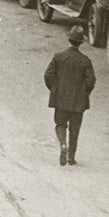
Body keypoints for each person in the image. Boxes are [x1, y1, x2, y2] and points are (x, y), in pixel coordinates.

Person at [44, 26, 96, 166]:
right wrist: (84, 93)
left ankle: (62, 144)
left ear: (69, 40)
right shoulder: (85, 60)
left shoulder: (59, 57)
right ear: (80, 43)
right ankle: (71, 158)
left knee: (60, 124)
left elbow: (48, 75)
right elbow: (91, 81)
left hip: (61, 99)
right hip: (78, 102)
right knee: (75, 130)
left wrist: (55, 89)